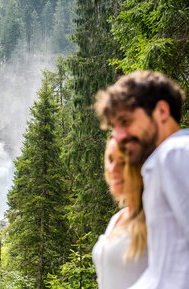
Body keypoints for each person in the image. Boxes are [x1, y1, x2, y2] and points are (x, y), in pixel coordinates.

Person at [95, 70, 189, 288]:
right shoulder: (164, 160)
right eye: (115, 127)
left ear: (162, 111)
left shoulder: (175, 153)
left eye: (125, 122)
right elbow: (164, 273)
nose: (119, 136)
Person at [92, 137, 147, 289]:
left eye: (123, 162)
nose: (113, 169)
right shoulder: (117, 218)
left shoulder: (156, 219)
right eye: (110, 159)